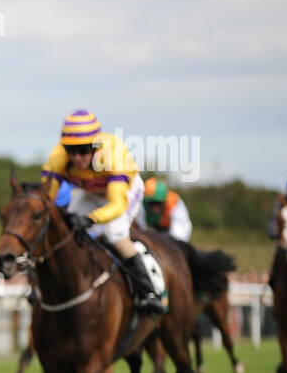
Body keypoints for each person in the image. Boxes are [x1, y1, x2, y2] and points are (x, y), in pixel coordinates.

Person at [40, 109, 166, 314]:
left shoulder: (112, 155)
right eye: (72, 151)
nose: (78, 157)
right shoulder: (57, 158)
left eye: (84, 150)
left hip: (124, 191)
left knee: (114, 234)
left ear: (95, 147)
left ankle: (148, 291)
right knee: (66, 230)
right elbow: (47, 198)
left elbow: (116, 205)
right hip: (89, 192)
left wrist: (91, 219)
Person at [138, 176, 193, 243]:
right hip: (154, 231)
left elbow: (180, 234)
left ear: (164, 200)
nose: (155, 207)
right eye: (151, 203)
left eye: (158, 203)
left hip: (172, 231)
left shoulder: (174, 202)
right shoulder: (141, 203)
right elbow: (140, 228)